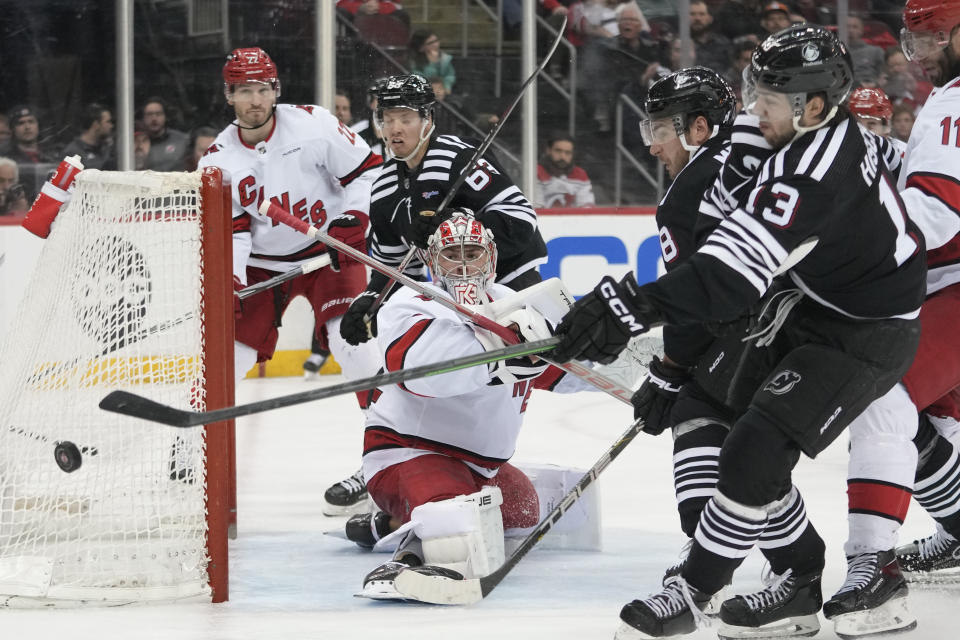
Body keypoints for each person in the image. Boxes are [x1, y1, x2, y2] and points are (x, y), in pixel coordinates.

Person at [551, 25, 927, 639]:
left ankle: (695, 592)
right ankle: (799, 583)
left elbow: (726, 277)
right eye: (754, 96)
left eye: (768, 103)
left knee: (755, 451)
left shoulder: (814, 174)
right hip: (806, 301)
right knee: (711, 405)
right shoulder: (789, 122)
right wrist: (669, 366)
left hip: (867, 330)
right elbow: (730, 210)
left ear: (812, 107)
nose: (753, 114)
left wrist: (626, 307)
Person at [326, 74, 548, 517]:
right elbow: (395, 270)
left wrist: (458, 221)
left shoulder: (458, 159)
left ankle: (454, 466)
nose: (394, 129)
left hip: (506, 294)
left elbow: (523, 223)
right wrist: (369, 299)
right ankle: (401, 458)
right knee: (423, 376)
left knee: (489, 391)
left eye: (406, 117)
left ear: (428, 119)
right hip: (450, 305)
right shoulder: (385, 185)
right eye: (387, 118)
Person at [353, 212, 574, 598]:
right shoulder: (411, 302)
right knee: (452, 526)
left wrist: (627, 360)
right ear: (433, 261)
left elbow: (554, 372)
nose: (464, 264)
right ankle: (408, 559)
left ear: (490, 257)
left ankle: (387, 525)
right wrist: (502, 354)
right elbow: (423, 375)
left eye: (472, 252)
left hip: (479, 465)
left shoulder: (511, 301)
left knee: (524, 513)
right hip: (408, 453)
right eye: (452, 255)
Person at [197, 47, 382, 444]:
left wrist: (355, 218)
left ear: (276, 89)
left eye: (263, 89)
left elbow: (367, 173)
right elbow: (234, 231)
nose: (255, 101)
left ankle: (392, 440)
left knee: (353, 346)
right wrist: (230, 277)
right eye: (244, 91)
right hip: (264, 266)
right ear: (228, 95)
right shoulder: (217, 163)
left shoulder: (314, 125)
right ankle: (193, 445)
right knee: (231, 357)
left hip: (330, 252)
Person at [535, 134, 595, 208]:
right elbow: (536, 208)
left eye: (567, 153)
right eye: (558, 151)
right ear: (548, 151)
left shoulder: (580, 174)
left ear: (572, 155)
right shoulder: (535, 172)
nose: (563, 156)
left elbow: (586, 206)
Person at [847, 87, 906, 158]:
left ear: (885, 128)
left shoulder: (903, 155)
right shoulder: (840, 149)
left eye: (871, 124)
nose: (863, 131)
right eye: (857, 125)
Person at [141, 97, 190, 171]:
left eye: (158, 114)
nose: (154, 118)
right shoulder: (137, 144)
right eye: (149, 114)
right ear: (143, 118)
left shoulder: (182, 140)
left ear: (165, 117)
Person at [62, 103, 115, 170]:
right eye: (108, 122)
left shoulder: (105, 149)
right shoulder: (73, 152)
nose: (111, 126)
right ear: (96, 125)